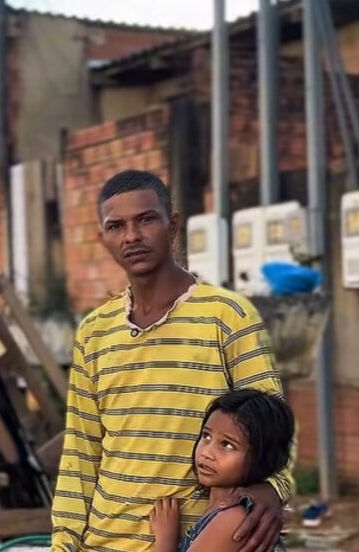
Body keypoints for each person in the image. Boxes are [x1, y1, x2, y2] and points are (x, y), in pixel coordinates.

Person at [51, 170, 293, 552]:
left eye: (146, 220)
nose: (131, 236)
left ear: (173, 225)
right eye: (116, 226)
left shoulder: (227, 317)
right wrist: (64, 542)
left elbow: (273, 425)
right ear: (104, 239)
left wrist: (272, 489)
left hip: (197, 541)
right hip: (102, 542)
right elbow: (82, 453)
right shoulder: (93, 332)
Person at [150, 389, 294, 552]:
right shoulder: (220, 510)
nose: (207, 453)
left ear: (263, 457)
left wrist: (165, 541)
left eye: (227, 445)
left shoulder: (235, 518)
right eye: (206, 436)